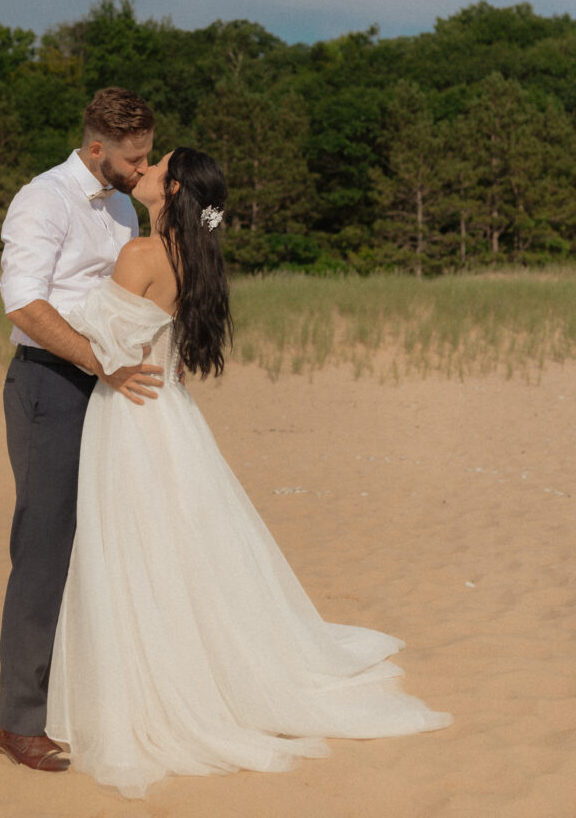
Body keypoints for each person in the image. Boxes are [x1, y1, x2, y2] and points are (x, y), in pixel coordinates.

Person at [45, 146, 451, 798]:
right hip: (170, 412)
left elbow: (102, 345)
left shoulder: (140, 256)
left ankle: (152, 678)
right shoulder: (189, 259)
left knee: (135, 543)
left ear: (170, 187)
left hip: (131, 411)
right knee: (174, 544)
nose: (143, 169)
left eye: (156, 165)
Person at [0, 87, 164, 772]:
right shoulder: (42, 198)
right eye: (134, 157)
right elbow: (23, 303)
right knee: (44, 546)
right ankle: (16, 719)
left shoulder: (122, 205)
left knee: (104, 542)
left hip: (108, 384)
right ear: (97, 148)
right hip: (48, 385)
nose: (141, 166)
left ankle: (80, 699)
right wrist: (102, 363)